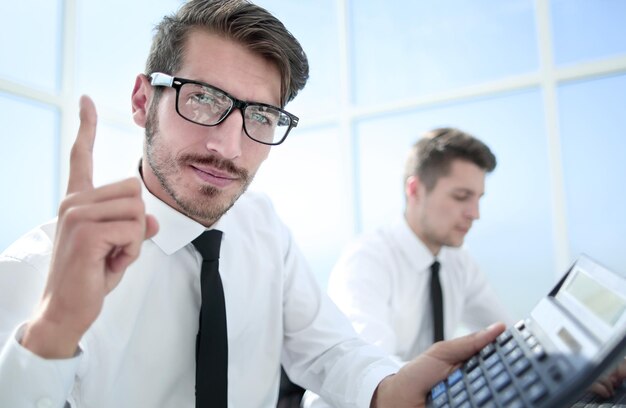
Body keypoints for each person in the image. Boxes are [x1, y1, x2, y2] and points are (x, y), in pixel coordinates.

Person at [0, 1, 506, 407]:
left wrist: (387, 389)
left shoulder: (260, 223)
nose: (229, 146)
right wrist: (55, 329)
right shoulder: (35, 269)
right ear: (141, 101)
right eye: (201, 98)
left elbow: (327, 348)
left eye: (260, 115)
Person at [330, 128, 514, 363]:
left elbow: (504, 333)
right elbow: (370, 369)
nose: (475, 214)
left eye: (478, 199)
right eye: (461, 196)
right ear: (415, 190)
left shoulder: (458, 261)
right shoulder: (366, 259)